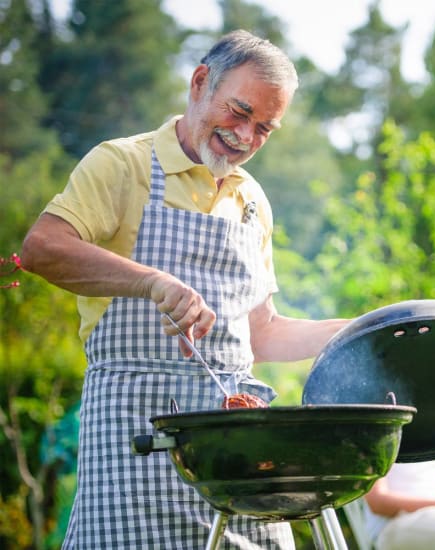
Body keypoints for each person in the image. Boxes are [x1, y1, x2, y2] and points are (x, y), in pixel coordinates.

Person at [21, 30, 349, 548]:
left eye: (265, 128)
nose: (246, 135)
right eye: (238, 112)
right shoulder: (123, 164)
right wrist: (151, 282)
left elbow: (260, 332)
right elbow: (42, 249)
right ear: (200, 83)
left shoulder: (252, 200)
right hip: (138, 439)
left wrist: (359, 332)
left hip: (238, 452)